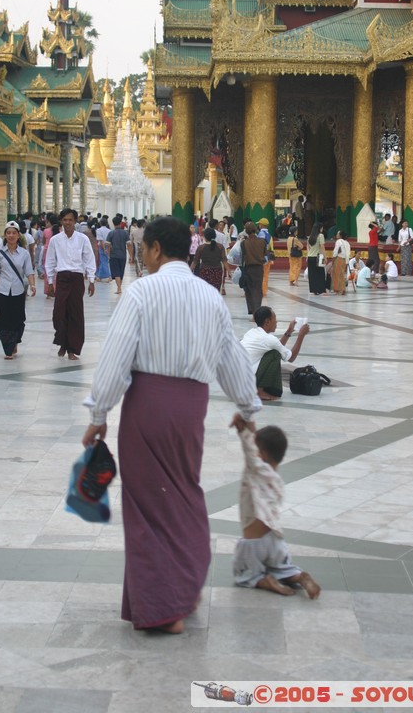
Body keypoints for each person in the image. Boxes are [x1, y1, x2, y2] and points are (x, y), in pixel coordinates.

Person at [81, 216, 260, 634]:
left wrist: (98, 414)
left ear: (157, 249)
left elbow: (117, 356)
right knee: (182, 493)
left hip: (148, 405)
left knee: (147, 505)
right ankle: (185, 584)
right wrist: (247, 407)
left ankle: (164, 607)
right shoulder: (210, 297)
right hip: (190, 408)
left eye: (145, 249)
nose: (143, 256)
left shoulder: (143, 291)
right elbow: (230, 357)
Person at [231, 416, 320, 598]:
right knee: (281, 567)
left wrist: (244, 431)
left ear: (260, 454)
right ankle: (299, 577)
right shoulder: (277, 480)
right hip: (275, 541)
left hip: (253, 542)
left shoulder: (256, 470)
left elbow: (250, 452)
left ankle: (264, 581)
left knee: (244, 574)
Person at [45, 208, 96, 360]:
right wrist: (50, 282)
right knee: (59, 313)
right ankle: (63, 342)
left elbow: (89, 259)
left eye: (70, 220)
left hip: (76, 278)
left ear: (75, 222)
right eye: (65, 220)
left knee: (75, 314)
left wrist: (91, 280)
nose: (67, 223)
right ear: (61, 221)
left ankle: (72, 349)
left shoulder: (82, 239)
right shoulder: (55, 240)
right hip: (62, 278)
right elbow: (50, 261)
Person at [0, 221, 36, 359]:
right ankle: (8, 349)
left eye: (14, 233)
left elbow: (29, 272)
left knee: (18, 319)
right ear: (5, 235)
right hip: (1, 291)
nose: (11, 235)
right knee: (4, 320)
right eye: (8, 233)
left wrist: (33, 285)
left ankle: (14, 341)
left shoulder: (24, 253)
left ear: (18, 235)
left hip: (18, 291)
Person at [241, 306, 310, 401]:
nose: (276, 322)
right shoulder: (268, 339)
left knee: (274, 351)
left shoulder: (251, 332)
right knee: (275, 355)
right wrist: (301, 335)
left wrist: (289, 331)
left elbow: (278, 346)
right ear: (267, 322)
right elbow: (291, 357)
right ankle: (259, 391)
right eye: (275, 319)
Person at [190, 226, 227, 291]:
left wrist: (190, 270)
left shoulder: (201, 248)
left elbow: (195, 261)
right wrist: (229, 271)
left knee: (205, 292)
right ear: (215, 236)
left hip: (204, 271)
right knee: (216, 291)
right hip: (217, 271)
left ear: (205, 237)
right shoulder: (220, 247)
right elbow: (224, 260)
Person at [241, 221, 266, 316]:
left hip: (248, 268)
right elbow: (265, 254)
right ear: (255, 230)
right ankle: (257, 311)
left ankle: (252, 310)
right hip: (259, 269)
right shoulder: (262, 242)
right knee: (257, 289)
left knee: (249, 290)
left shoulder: (244, 243)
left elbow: (243, 256)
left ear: (246, 231)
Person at [107, 214, 132, 294]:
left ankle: (119, 288)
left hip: (114, 255)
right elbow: (129, 245)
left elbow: (108, 245)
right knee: (121, 272)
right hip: (123, 255)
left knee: (116, 272)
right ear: (121, 223)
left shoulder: (111, 233)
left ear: (113, 223)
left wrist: (109, 255)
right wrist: (131, 255)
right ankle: (119, 287)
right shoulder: (125, 233)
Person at [307, 223, 327, 295]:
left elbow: (308, 248)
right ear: (319, 228)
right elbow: (322, 246)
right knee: (320, 273)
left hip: (310, 257)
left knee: (312, 274)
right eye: (322, 228)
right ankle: (321, 289)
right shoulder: (320, 235)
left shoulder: (310, 237)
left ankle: (314, 289)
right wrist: (325, 257)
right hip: (317, 257)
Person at [42, 213, 58, 297]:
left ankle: (48, 291)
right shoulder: (61, 231)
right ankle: (56, 289)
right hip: (57, 253)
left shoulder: (46, 231)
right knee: (57, 271)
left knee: (47, 271)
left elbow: (43, 242)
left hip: (47, 252)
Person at [331, 230, 351, 294]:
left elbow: (336, 251)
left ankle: (339, 289)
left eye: (338, 234)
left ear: (340, 236)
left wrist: (333, 259)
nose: (336, 235)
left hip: (339, 259)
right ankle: (342, 289)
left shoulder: (339, 241)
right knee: (341, 274)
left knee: (337, 274)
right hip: (345, 260)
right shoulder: (347, 243)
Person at [257, 218, 272, 296]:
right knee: (266, 274)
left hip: (262, 256)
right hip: (268, 256)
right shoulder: (268, 234)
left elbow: (260, 246)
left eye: (259, 224)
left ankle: (262, 290)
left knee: (262, 274)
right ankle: (264, 290)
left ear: (261, 225)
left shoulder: (261, 234)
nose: (258, 226)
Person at [95, 216, 111, 282]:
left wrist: (104, 249)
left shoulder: (98, 230)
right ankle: (99, 276)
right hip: (108, 246)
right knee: (103, 261)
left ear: (100, 223)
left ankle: (109, 276)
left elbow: (101, 240)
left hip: (102, 247)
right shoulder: (109, 231)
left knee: (103, 262)